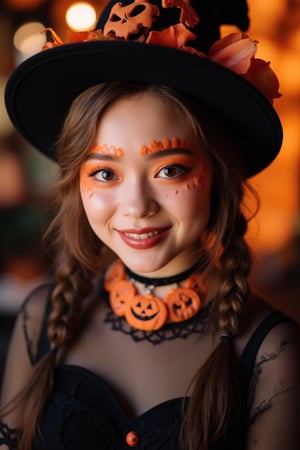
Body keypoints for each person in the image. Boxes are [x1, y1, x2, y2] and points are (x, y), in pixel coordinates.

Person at [1, 0, 299, 449]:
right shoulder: (41, 320)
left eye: (170, 170)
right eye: (105, 173)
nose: (137, 206)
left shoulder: (274, 355)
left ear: (219, 173)